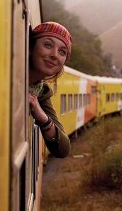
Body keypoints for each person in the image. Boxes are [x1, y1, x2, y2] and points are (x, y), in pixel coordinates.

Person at [28, 22, 71, 158]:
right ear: (30, 48)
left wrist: (42, 116)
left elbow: (63, 149)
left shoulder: (41, 92)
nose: (55, 55)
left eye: (62, 52)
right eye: (48, 45)